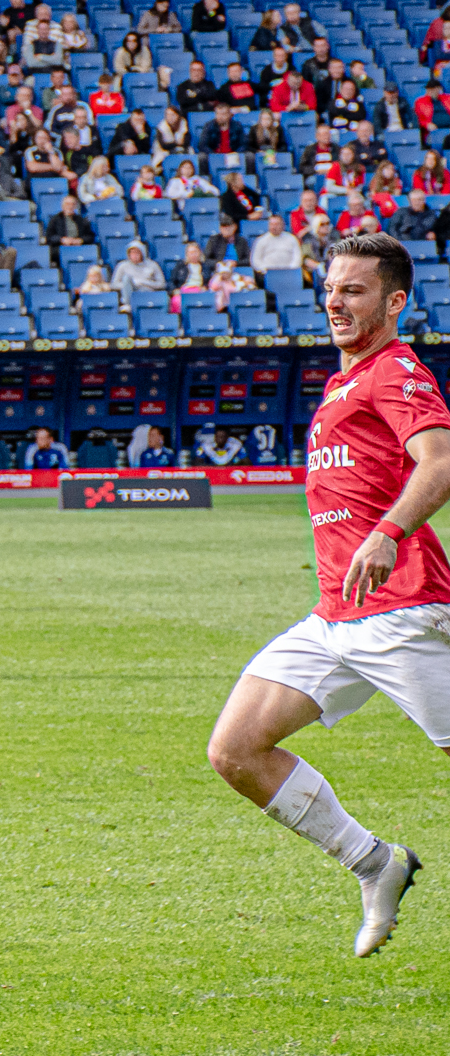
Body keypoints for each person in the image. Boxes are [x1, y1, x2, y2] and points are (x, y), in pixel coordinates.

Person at [205, 233, 446, 958]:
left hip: (403, 610)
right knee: (237, 749)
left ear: (395, 302)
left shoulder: (395, 371)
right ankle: (376, 864)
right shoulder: (346, 382)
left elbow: (440, 463)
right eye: (332, 289)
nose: (336, 302)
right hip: (337, 617)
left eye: (355, 290)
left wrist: (389, 533)